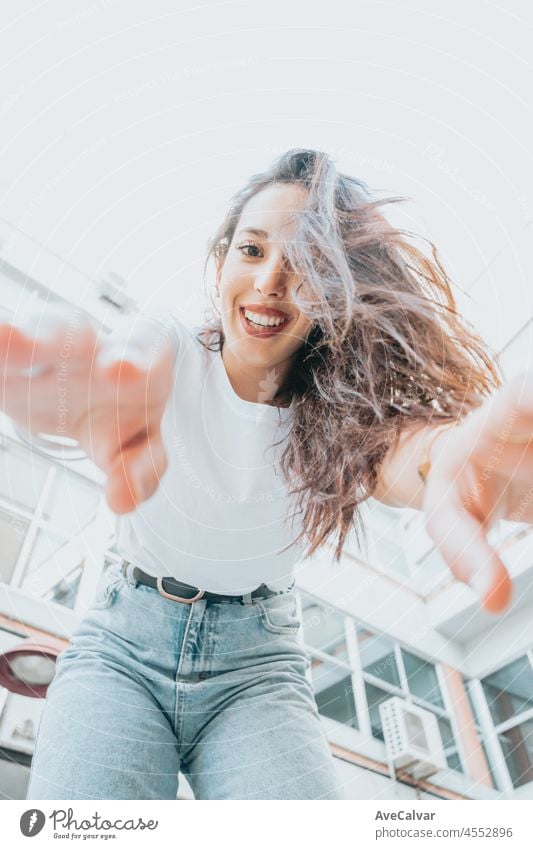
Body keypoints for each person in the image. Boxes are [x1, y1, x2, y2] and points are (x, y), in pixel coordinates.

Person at [1, 148, 531, 800]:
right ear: (219, 260)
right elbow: (120, 374)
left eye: (306, 265)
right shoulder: (166, 347)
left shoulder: (338, 416)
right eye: (252, 250)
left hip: (257, 668)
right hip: (121, 646)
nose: (271, 281)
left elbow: (404, 455)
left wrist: (449, 455)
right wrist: (71, 397)